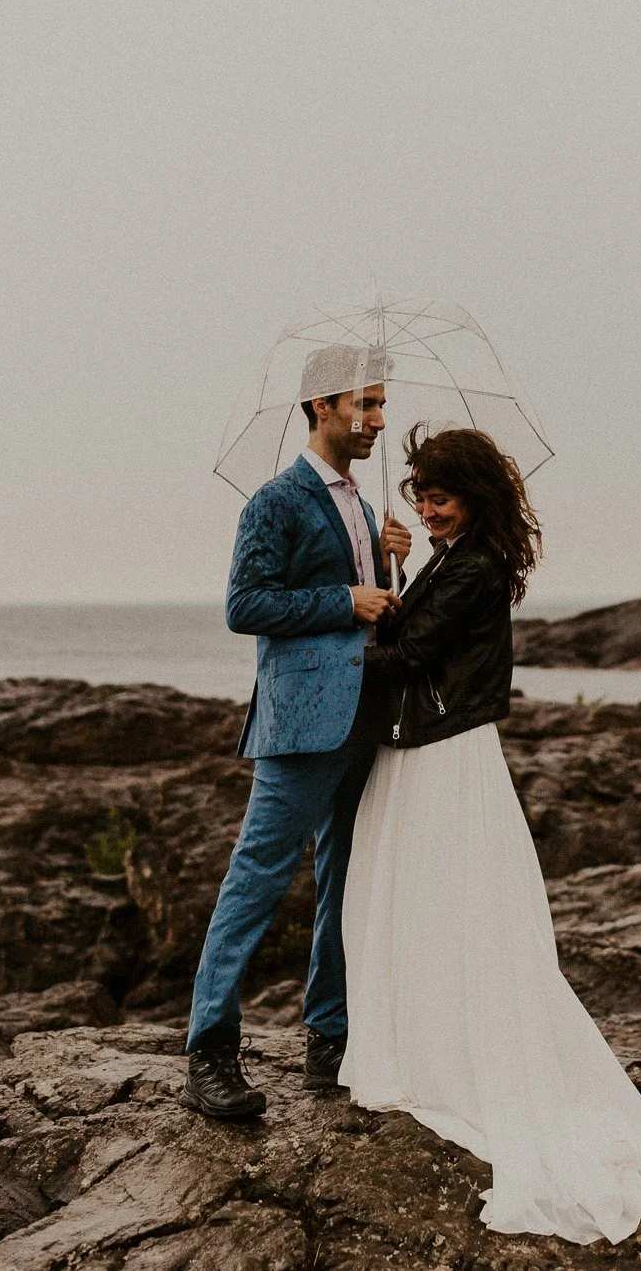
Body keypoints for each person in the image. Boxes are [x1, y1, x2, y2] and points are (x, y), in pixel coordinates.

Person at [339, 425, 641, 1244]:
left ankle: (447, 1056)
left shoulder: (474, 565)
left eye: (438, 496)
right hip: (437, 744)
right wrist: (398, 567)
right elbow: (417, 634)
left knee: (447, 900)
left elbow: (406, 652)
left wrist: (335, 622)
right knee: (434, 902)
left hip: (443, 751)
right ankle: (430, 1044)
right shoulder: (463, 557)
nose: (427, 508)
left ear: (473, 495)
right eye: (418, 495)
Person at [183, 344, 411, 1119]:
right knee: (256, 880)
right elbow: (245, 605)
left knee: (345, 880)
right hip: (300, 723)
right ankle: (210, 1048)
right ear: (322, 407)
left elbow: (376, 614)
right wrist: (343, 599)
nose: (379, 419)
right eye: (366, 404)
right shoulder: (274, 501)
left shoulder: (366, 508)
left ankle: (330, 1040)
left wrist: (392, 571)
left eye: (382, 404)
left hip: (365, 718)